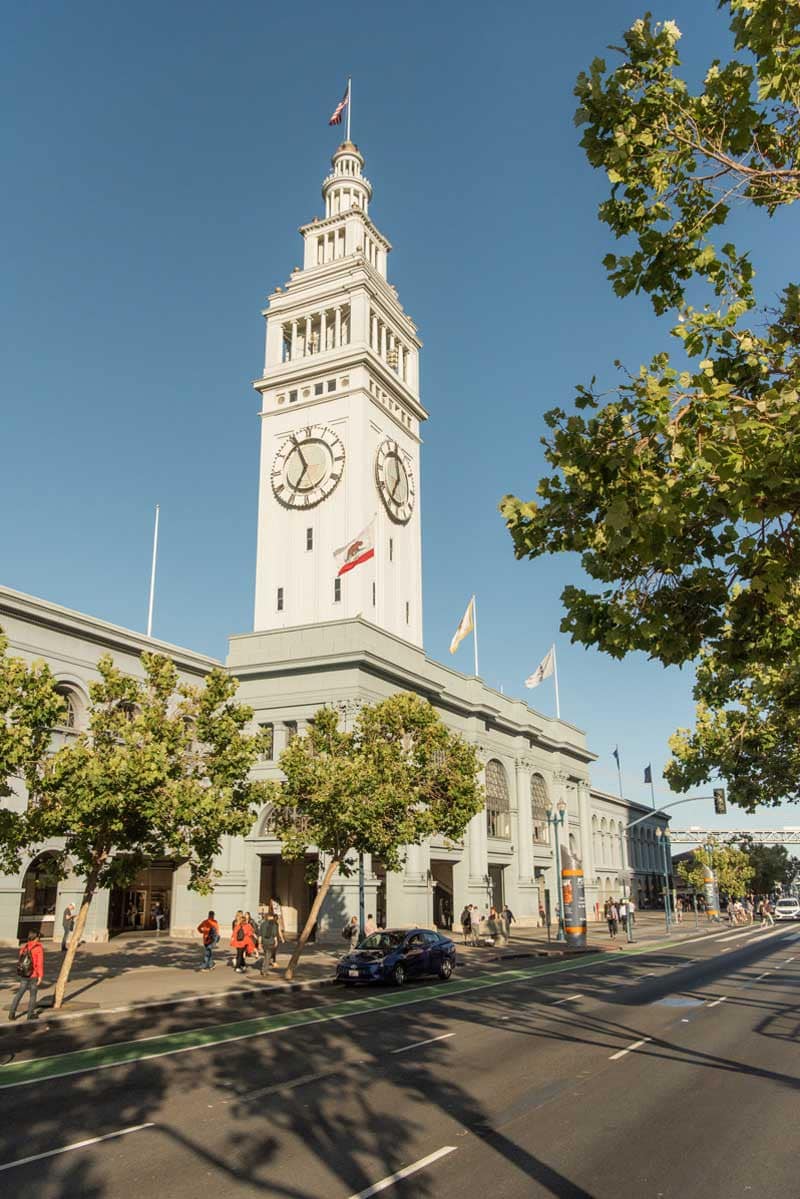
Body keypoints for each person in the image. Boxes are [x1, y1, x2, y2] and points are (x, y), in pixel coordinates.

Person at [9, 929, 44, 1022]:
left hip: (24, 974)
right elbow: (39, 964)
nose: (39, 939)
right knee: (33, 995)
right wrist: (40, 976)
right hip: (33, 975)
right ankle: (30, 1015)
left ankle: (12, 1013)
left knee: (19, 993)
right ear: (35, 937)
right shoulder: (38, 948)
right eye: (38, 937)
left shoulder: (24, 947)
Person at [258, 907, 280, 973]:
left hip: (264, 942)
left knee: (266, 955)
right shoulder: (274, 924)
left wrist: (259, 944)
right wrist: (276, 942)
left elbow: (260, 935)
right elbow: (275, 934)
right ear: (272, 917)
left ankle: (264, 968)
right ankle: (264, 970)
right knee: (268, 956)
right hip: (271, 942)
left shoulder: (262, 924)